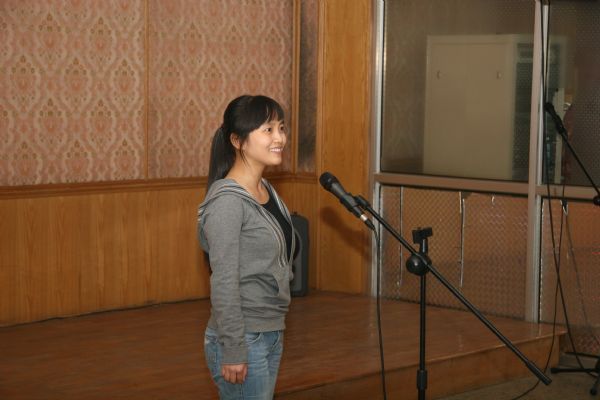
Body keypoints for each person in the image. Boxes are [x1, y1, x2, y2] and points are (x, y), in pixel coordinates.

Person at [197, 95, 295, 400]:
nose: (279, 138)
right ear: (237, 140)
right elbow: (224, 280)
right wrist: (234, 348)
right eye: (268, 130)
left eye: (281, 127)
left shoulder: (267, 191)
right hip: (244, 337)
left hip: (271, 329)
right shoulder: (227, 201)